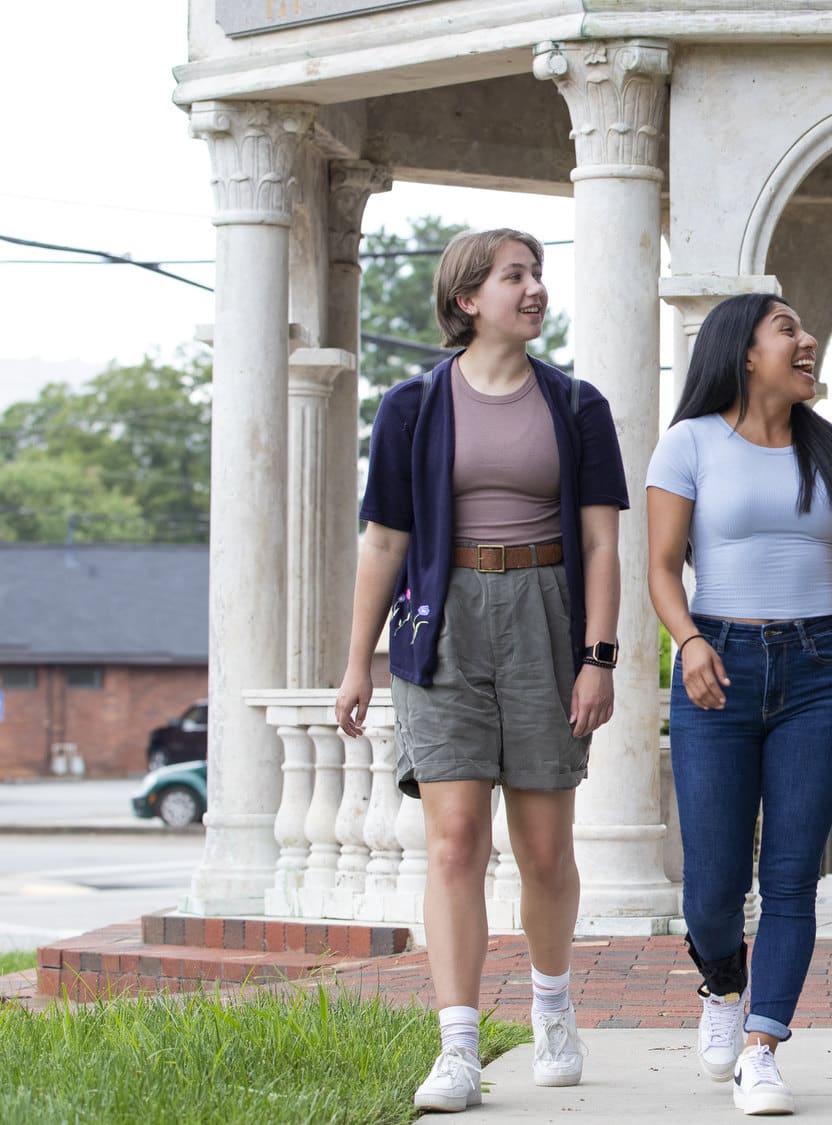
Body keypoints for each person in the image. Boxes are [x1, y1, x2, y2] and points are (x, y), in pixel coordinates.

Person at [335, 228, 627, 1113]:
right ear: (468, 298)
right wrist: (356, 662)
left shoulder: (577, 404)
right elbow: (384, 539)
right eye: (515, 276)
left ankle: (550, 1003)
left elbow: (604, 539)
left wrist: (598, 656)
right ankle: (457, 1043)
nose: (535, 289)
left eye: (537, 274)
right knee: (455, 841)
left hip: (545, 618)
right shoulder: (412, 407)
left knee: (544, 848)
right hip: (441, 625)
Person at [647, 292, 832, 1116]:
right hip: (717, 665)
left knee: (794, 874)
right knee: (712, 884)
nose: (807, 342)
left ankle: (763, 1046)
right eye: (787, 330)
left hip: (820, 667)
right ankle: (722, 980)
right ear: (744, 352)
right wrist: (689, 642)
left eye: (805, 330)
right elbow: (662, 566)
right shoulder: (689, 443)